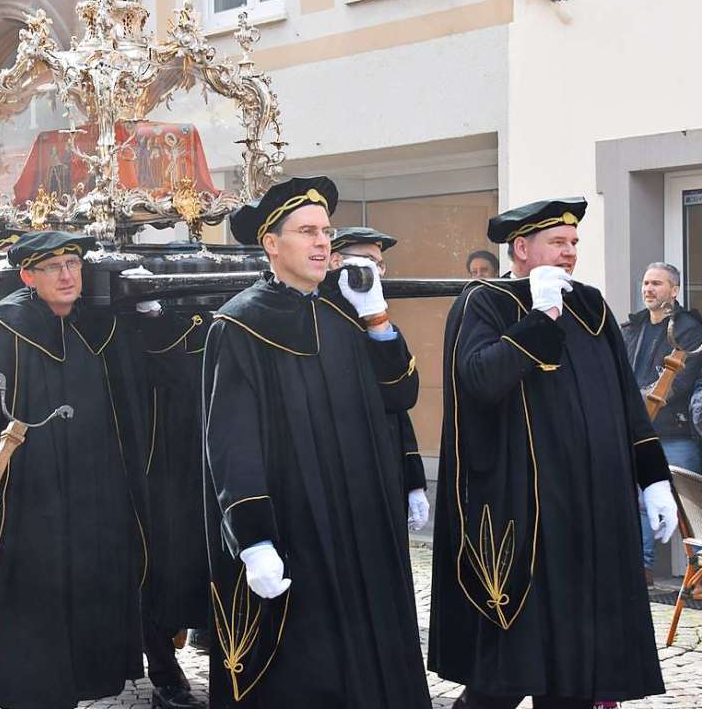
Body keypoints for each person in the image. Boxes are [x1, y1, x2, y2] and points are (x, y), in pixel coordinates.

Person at [429, 197, 679, 709]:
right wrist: (540, 317)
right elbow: (477, 380)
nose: (569, 254)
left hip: (592, 511)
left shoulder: (590, 306)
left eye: (574, 244)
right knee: (505, 671)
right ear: (521, 248)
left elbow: (626, 400)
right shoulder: (485, 302)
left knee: (578, 672)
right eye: (558, 243)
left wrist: (653, 477)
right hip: (524, 511)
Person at [203, 177, 430, 708]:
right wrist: (253, 537)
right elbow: (231, 443)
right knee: (306, 666)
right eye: (307, 232)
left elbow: (401, 395)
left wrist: (376, 317)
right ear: (271, 244)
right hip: (298, 524)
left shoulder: (346, 314)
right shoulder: (239, 324)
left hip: (364, 519)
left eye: (326, 231)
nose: (323, 242)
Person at [0, 230, 150, 709]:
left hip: (93, 495)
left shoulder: (94, 325)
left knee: (86, 605)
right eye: (53, 267)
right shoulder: (7, 329)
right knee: (35, 619)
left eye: (73, 265)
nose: (67, 276)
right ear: (27, 276)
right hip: (32, 505)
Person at [329, 226, 430, 532]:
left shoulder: (374, 318)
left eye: (380, 264)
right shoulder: (322, 319)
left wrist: (414, 481)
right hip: (342, 474)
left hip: (385, 467)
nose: (378, 272)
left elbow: (400, 401)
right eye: (368, 261)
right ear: (336, 263)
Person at [137, 306, 211, 709]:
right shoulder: (143, 327)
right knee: (158, 572)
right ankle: (165, 674)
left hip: (210, 462)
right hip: (160, 468)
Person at [621, 262, 702, 587]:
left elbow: (680, 383)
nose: (649, 289)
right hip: (639, 433)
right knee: (639, 502)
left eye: (657, 283)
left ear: (675, 290)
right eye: (646, 283)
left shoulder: (689, 329)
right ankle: (642, 571)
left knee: (689, 504)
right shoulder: (632, 327)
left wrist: (641, 400)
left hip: (675, 432)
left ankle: (696, 573)